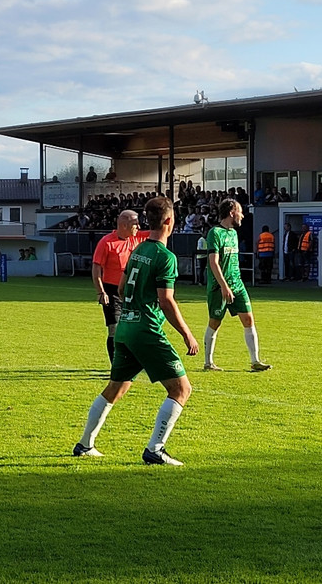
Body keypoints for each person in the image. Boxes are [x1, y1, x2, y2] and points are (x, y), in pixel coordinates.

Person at [73, 196, 199, 465]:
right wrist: (187, 333)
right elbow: (166, 300)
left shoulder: (137, 251)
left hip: (125, 329)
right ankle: (155, 449)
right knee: (181, 389)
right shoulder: (165, 256)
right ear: (168, 221)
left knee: (116, 387)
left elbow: (119, 289)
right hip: (145, 330)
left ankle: (85, 445)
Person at [204, 200, 272, 372]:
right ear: (232, 212)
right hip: (219, 287)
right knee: (215, 322)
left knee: (249, 320)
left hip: (237, 284)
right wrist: (224, 286)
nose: (242, 215)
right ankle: (208, 362)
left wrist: (233, 285)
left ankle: (255, 361)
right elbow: (214, 262)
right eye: (240, 212)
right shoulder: (215, 233)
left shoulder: (234, 233)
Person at [92, 210, 149, 365]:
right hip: (112, 292)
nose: (138, 226)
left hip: (132, 291)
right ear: (124, 225)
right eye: (135, 223)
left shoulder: (138, 238)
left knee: (135, 328)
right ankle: (115, 365)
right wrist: (101, 292)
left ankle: (134, 361)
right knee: (114, 329)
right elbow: (96, 268)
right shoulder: (106, 242)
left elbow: (162, 230)